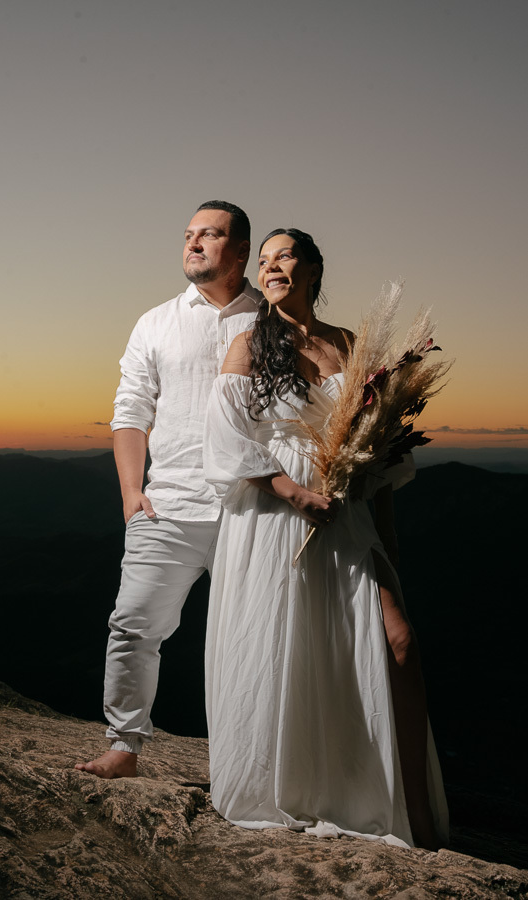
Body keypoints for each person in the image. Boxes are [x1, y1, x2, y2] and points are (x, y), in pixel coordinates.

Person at [203, 228, 449, 848]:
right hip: (276, 518)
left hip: (350, 514)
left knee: (398, 642)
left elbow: (379, 446)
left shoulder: (348, 344)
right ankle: (303, 788)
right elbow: (228, 439)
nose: (271, 266)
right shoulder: (249, 343)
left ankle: (412, 809)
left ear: (313, 267)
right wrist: (293, 491)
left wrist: (386, 533)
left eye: (284, 255)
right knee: (291, 646)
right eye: (263, 260)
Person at [75, 201, 262, 778]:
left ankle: (256, 765)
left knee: (252, 642)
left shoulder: (273, 319)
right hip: (168, 505)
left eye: (210, 234)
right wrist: (132, 494)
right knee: (133, 623)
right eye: (188, 234)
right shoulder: (154, 322)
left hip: (252, 508)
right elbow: (130, 410)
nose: (194, 243)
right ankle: (124, 746)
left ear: (240, 250)